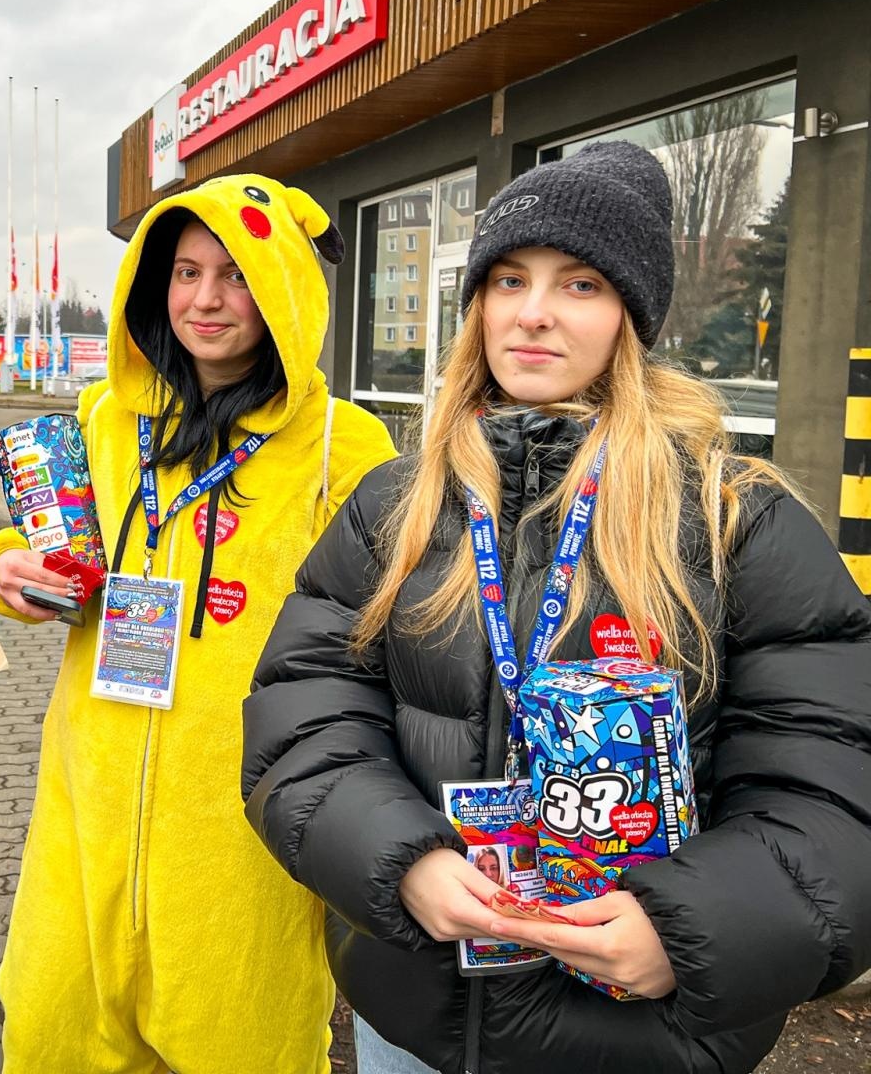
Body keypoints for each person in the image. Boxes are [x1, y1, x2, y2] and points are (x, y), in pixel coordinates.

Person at [242, 142, 871, 1073]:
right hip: (416, 1015)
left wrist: (689, 929)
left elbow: (833, 783)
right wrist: (400, 858)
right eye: (508, 280)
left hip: (647, 1034)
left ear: (631, 317)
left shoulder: (736, 518)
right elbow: (304, 717)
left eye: (580, 285)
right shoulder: (395, 504)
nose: (533, 314)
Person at [0, 175, 397, 1072]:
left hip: (245, 821)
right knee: (51, 1033)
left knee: (244, 1049)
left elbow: (387, 622)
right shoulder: (108, 419)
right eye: (185, 272)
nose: (206, 300)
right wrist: (7, 568)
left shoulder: (344, 446)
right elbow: (43, 539)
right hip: (84, 803)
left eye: (237, 275)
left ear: (283, 289)